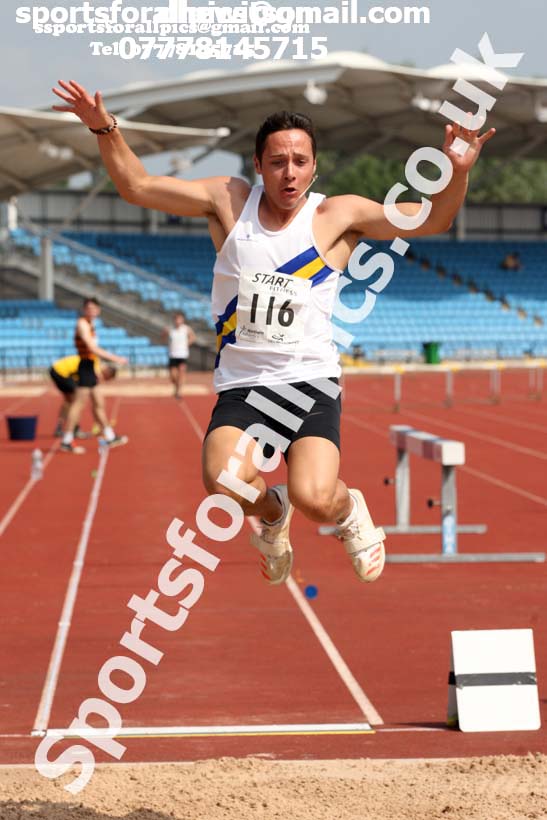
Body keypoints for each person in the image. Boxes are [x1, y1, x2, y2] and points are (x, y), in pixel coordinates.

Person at [53, 80, 495, 582]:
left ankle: (350, 510)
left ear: (314, 166)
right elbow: (136, 186)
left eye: (301, 161)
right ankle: (270, 513)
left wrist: (457, 173)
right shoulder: (228, 200)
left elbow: (433, 220)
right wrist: (104, 128)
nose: (290, 172)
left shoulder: (337, 214)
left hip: (309, 382)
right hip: (244, 385)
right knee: (222, 479)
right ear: (258, 165)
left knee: (315, 498)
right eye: (278, 161)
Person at [60, 296, 128, 454]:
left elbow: (93, 352)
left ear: (98, 310)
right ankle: (67, 440)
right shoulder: (82, 324)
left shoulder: (92, 324)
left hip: (90, 367)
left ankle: (110, 436)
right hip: (84, 368)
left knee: (99, 403)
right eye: (88, 308)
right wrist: (115, 358)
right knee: (78, 404)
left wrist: (98, 367)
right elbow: (91, 348)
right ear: (84, 310)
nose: (91, 311)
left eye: (94, 308)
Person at [49, 354, 117, 437]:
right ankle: (73, 430)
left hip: (57, 369)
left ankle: (61, 427)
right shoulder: (95, 365)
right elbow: (93, 384)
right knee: (77, 402)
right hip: (61, 372)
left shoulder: (94, 363)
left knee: (69, 401)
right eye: (106, 378)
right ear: (107, 372)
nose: (105, 379)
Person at [162, 312, 196, 399]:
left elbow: (193, 337)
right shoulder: (170, 329)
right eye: (177, 319)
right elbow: (163, 338)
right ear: (174, 320)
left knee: (181, 372)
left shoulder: (186, 329)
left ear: (182, 320)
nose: (178, 321)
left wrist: (187, 344)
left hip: (182, 354)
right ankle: (176, 387)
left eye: (180, 319)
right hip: (173, 354)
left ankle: (178, 391)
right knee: (173, 376)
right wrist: (164, 333)